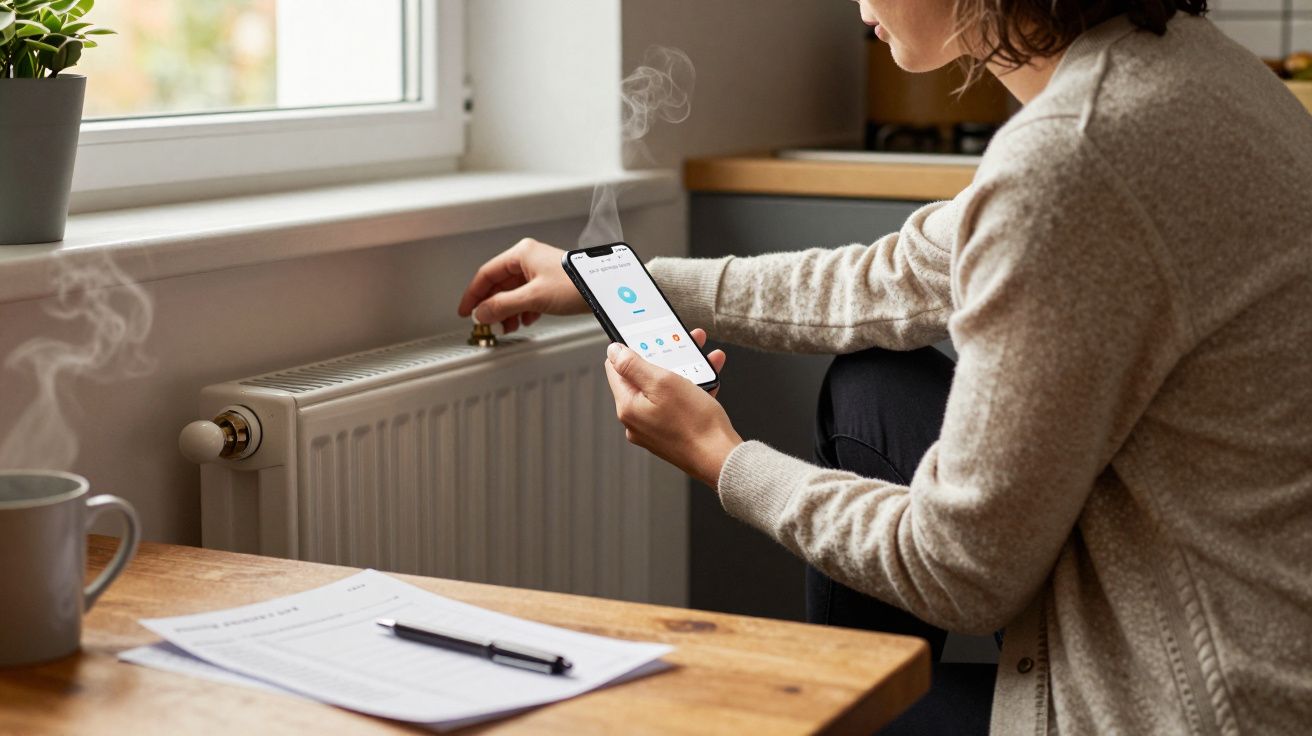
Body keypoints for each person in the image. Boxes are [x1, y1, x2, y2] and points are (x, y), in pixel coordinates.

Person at [458, 0, 1312, 733]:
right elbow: (887, 280)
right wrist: (615, 286)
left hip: (1176, 706)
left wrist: (724, 459)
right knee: (874, 388)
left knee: (803, 713)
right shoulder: (1196, 76)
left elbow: (960, 571)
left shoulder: (1073, 160)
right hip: (1248, 638)